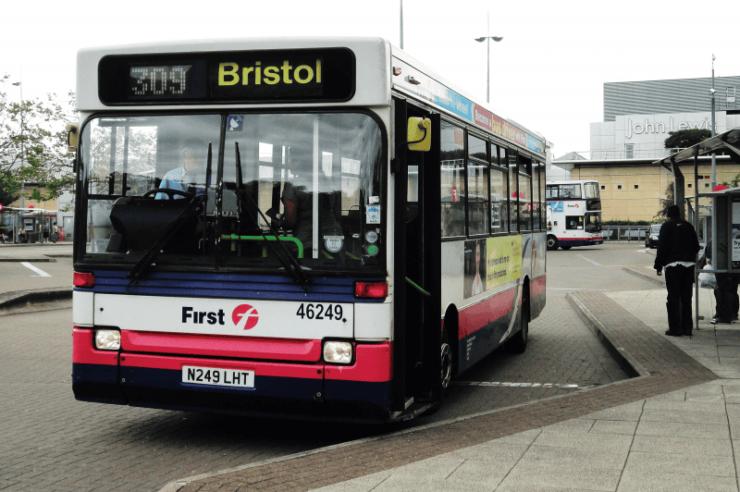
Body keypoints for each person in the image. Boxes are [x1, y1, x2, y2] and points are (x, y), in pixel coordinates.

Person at [654, 205, 701, 336]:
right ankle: (687, 328)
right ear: (679, 214)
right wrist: (689, 257)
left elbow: (661, 248)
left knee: (673, 297)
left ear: (668, 214)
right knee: (686, 298)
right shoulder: (688, 226)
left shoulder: (666, 227)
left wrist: (658, 265)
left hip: (673, 266)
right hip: (688, 266)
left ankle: (675, 328)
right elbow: (696, 246)